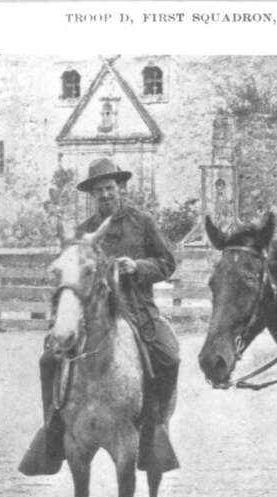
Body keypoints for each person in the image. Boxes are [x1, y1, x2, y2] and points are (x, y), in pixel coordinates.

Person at [19, 157, 180, 476]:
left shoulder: (142, 222)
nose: (105, 195)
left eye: (109, 188)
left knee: (169, 356)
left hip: (137, 308)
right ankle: (52, 430)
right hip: (93, 314)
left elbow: (167, 262)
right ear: (93, 195)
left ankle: (156, 428)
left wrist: (139, 267)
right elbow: (70, 274)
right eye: (98, 191)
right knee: (48, 360)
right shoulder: (84, 231)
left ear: (119, 188)